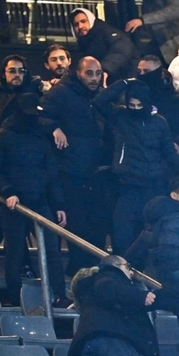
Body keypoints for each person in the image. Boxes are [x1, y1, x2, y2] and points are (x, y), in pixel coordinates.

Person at [0, 93, 70, 307]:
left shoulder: (39, 138)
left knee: (51, 251)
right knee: (15, 252)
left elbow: (50, 173)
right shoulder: (2, 137)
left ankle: (58, 295)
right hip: (14, 204)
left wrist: (58, 204)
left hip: (38, 201)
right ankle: (15, 298)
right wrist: (7, 191)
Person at [39, 56, 111, 275]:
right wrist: (53, 127)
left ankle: (95, 272)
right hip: (69, 171)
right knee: (77, 226)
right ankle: (79, 271)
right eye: (89, 73)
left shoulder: (100, 97)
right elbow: (39, 115)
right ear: (77, 73)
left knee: (98, 226)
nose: (94, 78)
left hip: (97, 172)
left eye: (98, 73)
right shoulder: (61, 93)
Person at [94, 77, 179, 255]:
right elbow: (99, 101)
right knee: (121, 231)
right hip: (127, 185)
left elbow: (169, 153)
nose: (134, 109)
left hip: (153, 186)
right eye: (131, 105)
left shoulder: (159, 122)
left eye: (138, 105)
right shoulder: (120, 116)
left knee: (150, 233)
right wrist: (125, 83)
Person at [125, 177, 179, 289]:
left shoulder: (156, 218)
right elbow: (169, 256)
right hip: (175, 285)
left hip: (153, 279)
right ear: (174, 195)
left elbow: (136, 251)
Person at [69, 8, 139, 84]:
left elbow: (121, 50)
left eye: (83, 21)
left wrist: (105, 69)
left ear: (91, 20)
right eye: (76, 24)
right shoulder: (83, 45)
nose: (80, 26)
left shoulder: (107, 32)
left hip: (125, 84)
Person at [136, 54, 179, 137]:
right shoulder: (134, 97)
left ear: (157, 73)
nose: (141, 75)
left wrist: (178, 143)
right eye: (139, 71)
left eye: (146, 71)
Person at [0, 54, 44, 130]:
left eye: (21, 71)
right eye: (12, 71)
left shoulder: (34, 92)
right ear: (3, 74)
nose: (17, 75)